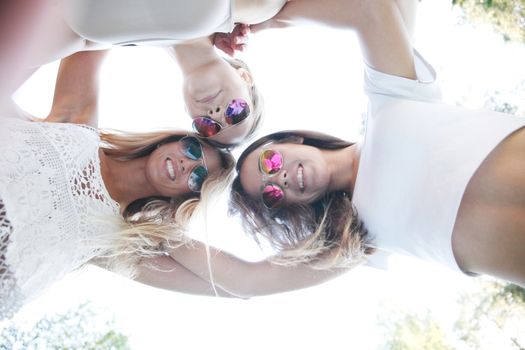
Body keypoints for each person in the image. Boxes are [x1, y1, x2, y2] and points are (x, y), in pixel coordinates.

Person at [163, 0, 525, 296]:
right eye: (271, 193)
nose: (280, 177)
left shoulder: (392, 102)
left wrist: (266, 22)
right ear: (289, 208)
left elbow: (372, 11)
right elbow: (247, 281)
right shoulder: (357, 236)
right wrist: (146, 226)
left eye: (269, 161)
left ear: (290, 140)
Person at [0, 50, 237, 320]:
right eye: (192, 150)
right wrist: (197, 48)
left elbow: (237, 286)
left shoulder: (116, 239)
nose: (187, 165)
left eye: (198, 178)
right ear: (171, 140)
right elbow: (95, 26)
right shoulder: (78, 125)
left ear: (183, 200)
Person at [1, 0, 288, 147]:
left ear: (187, 111)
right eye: (236, 112)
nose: (215, 113)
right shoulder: (251, 8)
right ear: (245, 79)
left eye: (208, 126)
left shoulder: (106, 39)